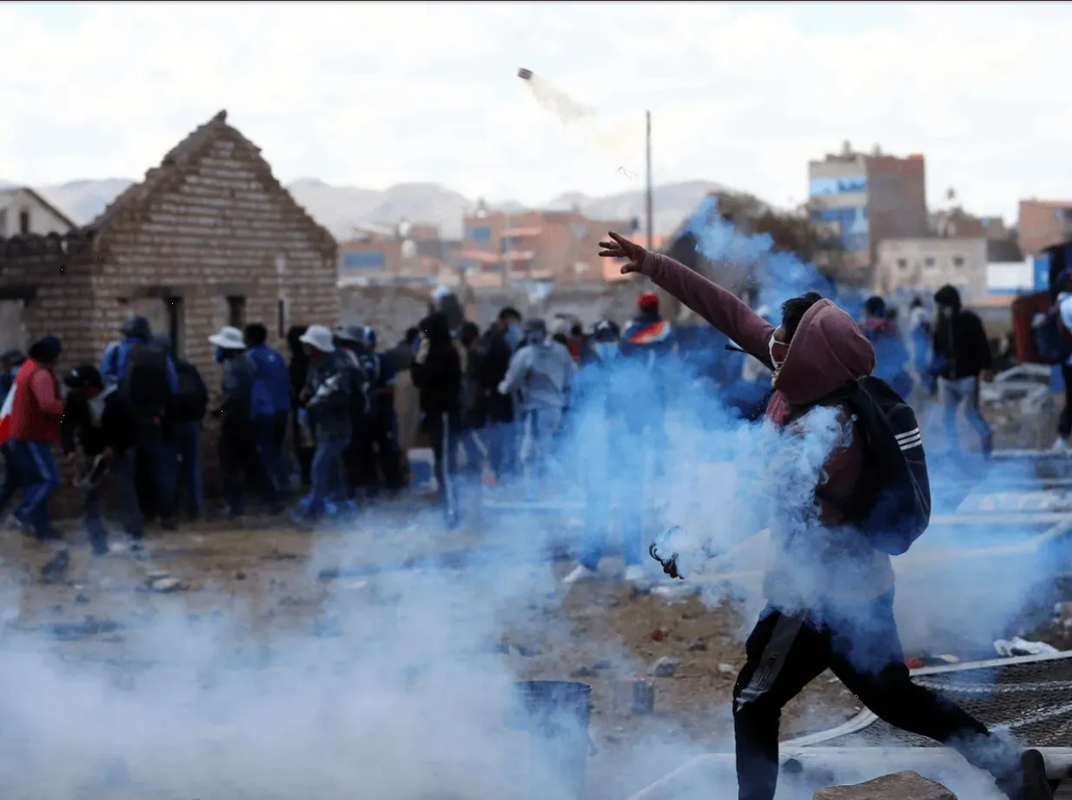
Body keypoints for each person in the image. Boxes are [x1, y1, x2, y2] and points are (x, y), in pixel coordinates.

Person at [598, 230, 1052, 800]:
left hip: (814, 599)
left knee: (754, 700)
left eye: (783, 339)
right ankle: (1009, 767)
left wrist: (693, 543)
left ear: (808, 355)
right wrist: (653, 264)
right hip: (861, 589)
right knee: (894, 697)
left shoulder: (830, 428)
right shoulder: (811, 379)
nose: (771, 344)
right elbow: (731, 314)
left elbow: (763, 500)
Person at [564, 320, 649, 585]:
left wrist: (628, 423)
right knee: (596, 505)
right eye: (602, 340)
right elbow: (574, 414)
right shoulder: (585, 376)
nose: (607, 345)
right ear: (595, 343)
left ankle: (633, 562)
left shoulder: (633, 373)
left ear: (617, 341)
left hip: (628, 448)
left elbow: (647, 407)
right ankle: (588, 563)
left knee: (631, 504)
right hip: (598, 450)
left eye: (610, 339)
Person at [103, 316, 179, 529]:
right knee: (153, 467)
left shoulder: (115, 351)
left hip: (123, 419)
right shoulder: (159, 354)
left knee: (126, 470)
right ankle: (162, 515)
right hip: (151, 419)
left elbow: (105, 383)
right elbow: (173, 387)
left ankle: (132, 520)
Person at [60, 365, 141, 555]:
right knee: (89, 499)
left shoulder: (119, 400)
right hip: (91, 453)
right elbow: (66, 424)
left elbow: (133, 431)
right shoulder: (76, 399)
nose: (74, 391)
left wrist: (115, 448)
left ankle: (135, 540)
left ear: (90, 387)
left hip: (119, 454)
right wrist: (69, 449)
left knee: (125, 496)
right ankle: (98, 543)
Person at [498, 318, 577, 495]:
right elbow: (571, 377)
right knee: (544, 448)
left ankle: (543, 489)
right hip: (555, 407)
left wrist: (502, 388)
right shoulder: (561, 350)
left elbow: (512, 381)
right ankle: (544, 488)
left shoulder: (526, 354)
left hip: (537, 408)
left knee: (533, 451)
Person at [209, 326, 271, 519]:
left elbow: (232, 397)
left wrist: (217, 411)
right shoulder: (247, 362)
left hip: (235, 420)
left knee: (229, 464)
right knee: (252, 462)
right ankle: (271, 499)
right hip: (249, 418)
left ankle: (234, 505)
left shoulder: (231, 366)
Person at [7, 336, 65, 541]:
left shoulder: (28, 368)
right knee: (49, 479)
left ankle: (41, 527)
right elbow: (47, 405)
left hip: (21, 433)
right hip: (30, 434)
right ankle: (22, 514)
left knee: (35, 481)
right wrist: (65, 406)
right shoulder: (40, 374)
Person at [294, 324, 353, 523]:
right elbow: (310, 387)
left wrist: (313, 402)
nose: (305, 348)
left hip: (337, 427)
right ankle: (342, 506)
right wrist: (306, 394)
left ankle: (315, 508)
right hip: (322, 426)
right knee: (334, 469)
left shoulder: (337, 367)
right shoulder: (315, 364)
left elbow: (331, 394)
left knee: (319, 467)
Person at [410, 312, 463, 527]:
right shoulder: (435, 352)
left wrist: (419, 361)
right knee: (441, 461)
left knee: (446, 463)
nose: (423, 337)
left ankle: (452, 509)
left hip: (444, 414)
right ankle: (447, 505)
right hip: (435, 413)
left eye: (426, 332)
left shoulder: (445, 353)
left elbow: (423, 378)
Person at [932, 284, 994, 458]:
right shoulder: (940, 324)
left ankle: (986, 441)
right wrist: (933, 372)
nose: (943, 309)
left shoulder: (971, 322)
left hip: (967, 377)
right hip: (946, 379)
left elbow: (982, 346)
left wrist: (988, 367)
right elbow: (937, 351)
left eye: (945, 304)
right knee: (948, 417)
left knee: (970, 413)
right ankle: (954, 451)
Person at [157, 334, 208, 521]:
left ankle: (169, 511)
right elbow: (203, 394)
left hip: (170, 424)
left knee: (168, 467)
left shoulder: (159, 369)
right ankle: (195, 507)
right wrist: (200, 417)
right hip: (192, 422)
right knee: (192, 465)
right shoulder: (188, 367)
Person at [472, 307, 524, 480]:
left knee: (499, 433)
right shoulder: (497, 340)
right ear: (506, 320)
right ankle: (502, 470)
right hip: (498, 393)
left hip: (495, 394)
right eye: (514, 322)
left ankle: (500, 467)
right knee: (502, 433)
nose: (515, 326)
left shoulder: (490, 338)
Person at [245, 323, 293, 498]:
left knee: (264, 450)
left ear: (249, 339)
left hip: (263, 411)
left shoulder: (249, 358)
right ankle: (284, 484)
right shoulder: (276, 356)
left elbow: (245, 386)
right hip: (282, 408)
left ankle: (270, 491)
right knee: (277, 449)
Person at [358, 327, 404, 497]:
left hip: (376, 412)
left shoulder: (378, 360)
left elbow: (390, 387)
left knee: (380, 448)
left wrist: (372, 393)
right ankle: (389, 483)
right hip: (378, 412)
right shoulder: (378, 359)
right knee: (381, 448)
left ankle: (384, 483)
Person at [332, 324, 373, 503]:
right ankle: (357, 487)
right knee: (357, 449)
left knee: (348, 451)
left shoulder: (343, 358)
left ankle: (349, 489)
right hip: (358, 409)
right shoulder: (359, 358)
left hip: (349, 410)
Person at [859, 296, 913, 399]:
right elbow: (904, 355)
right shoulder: (891, 327)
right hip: (893, 382)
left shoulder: (861, 328)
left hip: (869, 384)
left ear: (866, 310)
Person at [286, 325, 314, 489]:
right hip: (305, 409)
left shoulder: (299, 364)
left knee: (306, 446)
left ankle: (309, 480)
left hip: (303, 410)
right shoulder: (310, 361)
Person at [0, 349, 26, 519]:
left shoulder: (12, 381)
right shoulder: (4, 382)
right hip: (6, 432)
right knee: (17, 476)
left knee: (16, 477)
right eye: (16, 365)